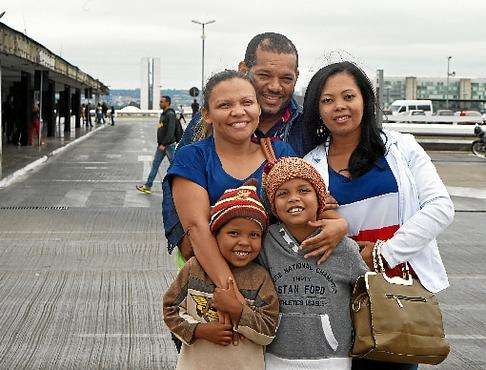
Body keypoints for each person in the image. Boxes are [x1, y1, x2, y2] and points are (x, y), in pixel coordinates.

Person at [301, 61, 454, 370]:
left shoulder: (402, 147)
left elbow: (440, 207)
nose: (339, 107)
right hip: (338, 296)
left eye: (348, 96)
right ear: (316, 109)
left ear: (365, 100)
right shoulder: (310, 164)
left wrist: (385, 254)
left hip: (397, 294)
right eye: (327, 100)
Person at [163, 32, 346, 264]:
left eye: (286, 79)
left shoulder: (308, 126)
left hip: (279, 265)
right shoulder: (207, 123)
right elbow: (177, 188)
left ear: (297, 77)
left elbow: (318, 187)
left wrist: (335, 220)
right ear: (243, 68)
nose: (275, 86)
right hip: (209, 259)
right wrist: (186, 239)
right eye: (264, 75)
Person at [259, 157, 368, 369]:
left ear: (320, 199)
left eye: (303, 190)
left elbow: (365, 294)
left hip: (332, 358)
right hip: (275, 357)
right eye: (282, 193)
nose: (293, 198)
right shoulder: (266, 244)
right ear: (273, 205)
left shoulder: (344, 247)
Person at [163, 182, 279, 370]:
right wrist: (199, 330)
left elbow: (269, 330)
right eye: (233, 233)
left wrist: (238, 311)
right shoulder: (193, 269)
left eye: (254, 235)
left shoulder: (260, 279)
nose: (244, 242)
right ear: (215, 235)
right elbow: (170, 309)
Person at [136, 96, 178, 194]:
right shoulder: (164, 113)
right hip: (162, 146)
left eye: (162, 102)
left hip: (168, 145)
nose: (160, 103)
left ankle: (182, 187)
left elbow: (170, 131)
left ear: (167, 103)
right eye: (160, 102)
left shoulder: (170, 114)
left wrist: (164, 144)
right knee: (155, 165)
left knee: (175, 166)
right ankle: (148, 186)